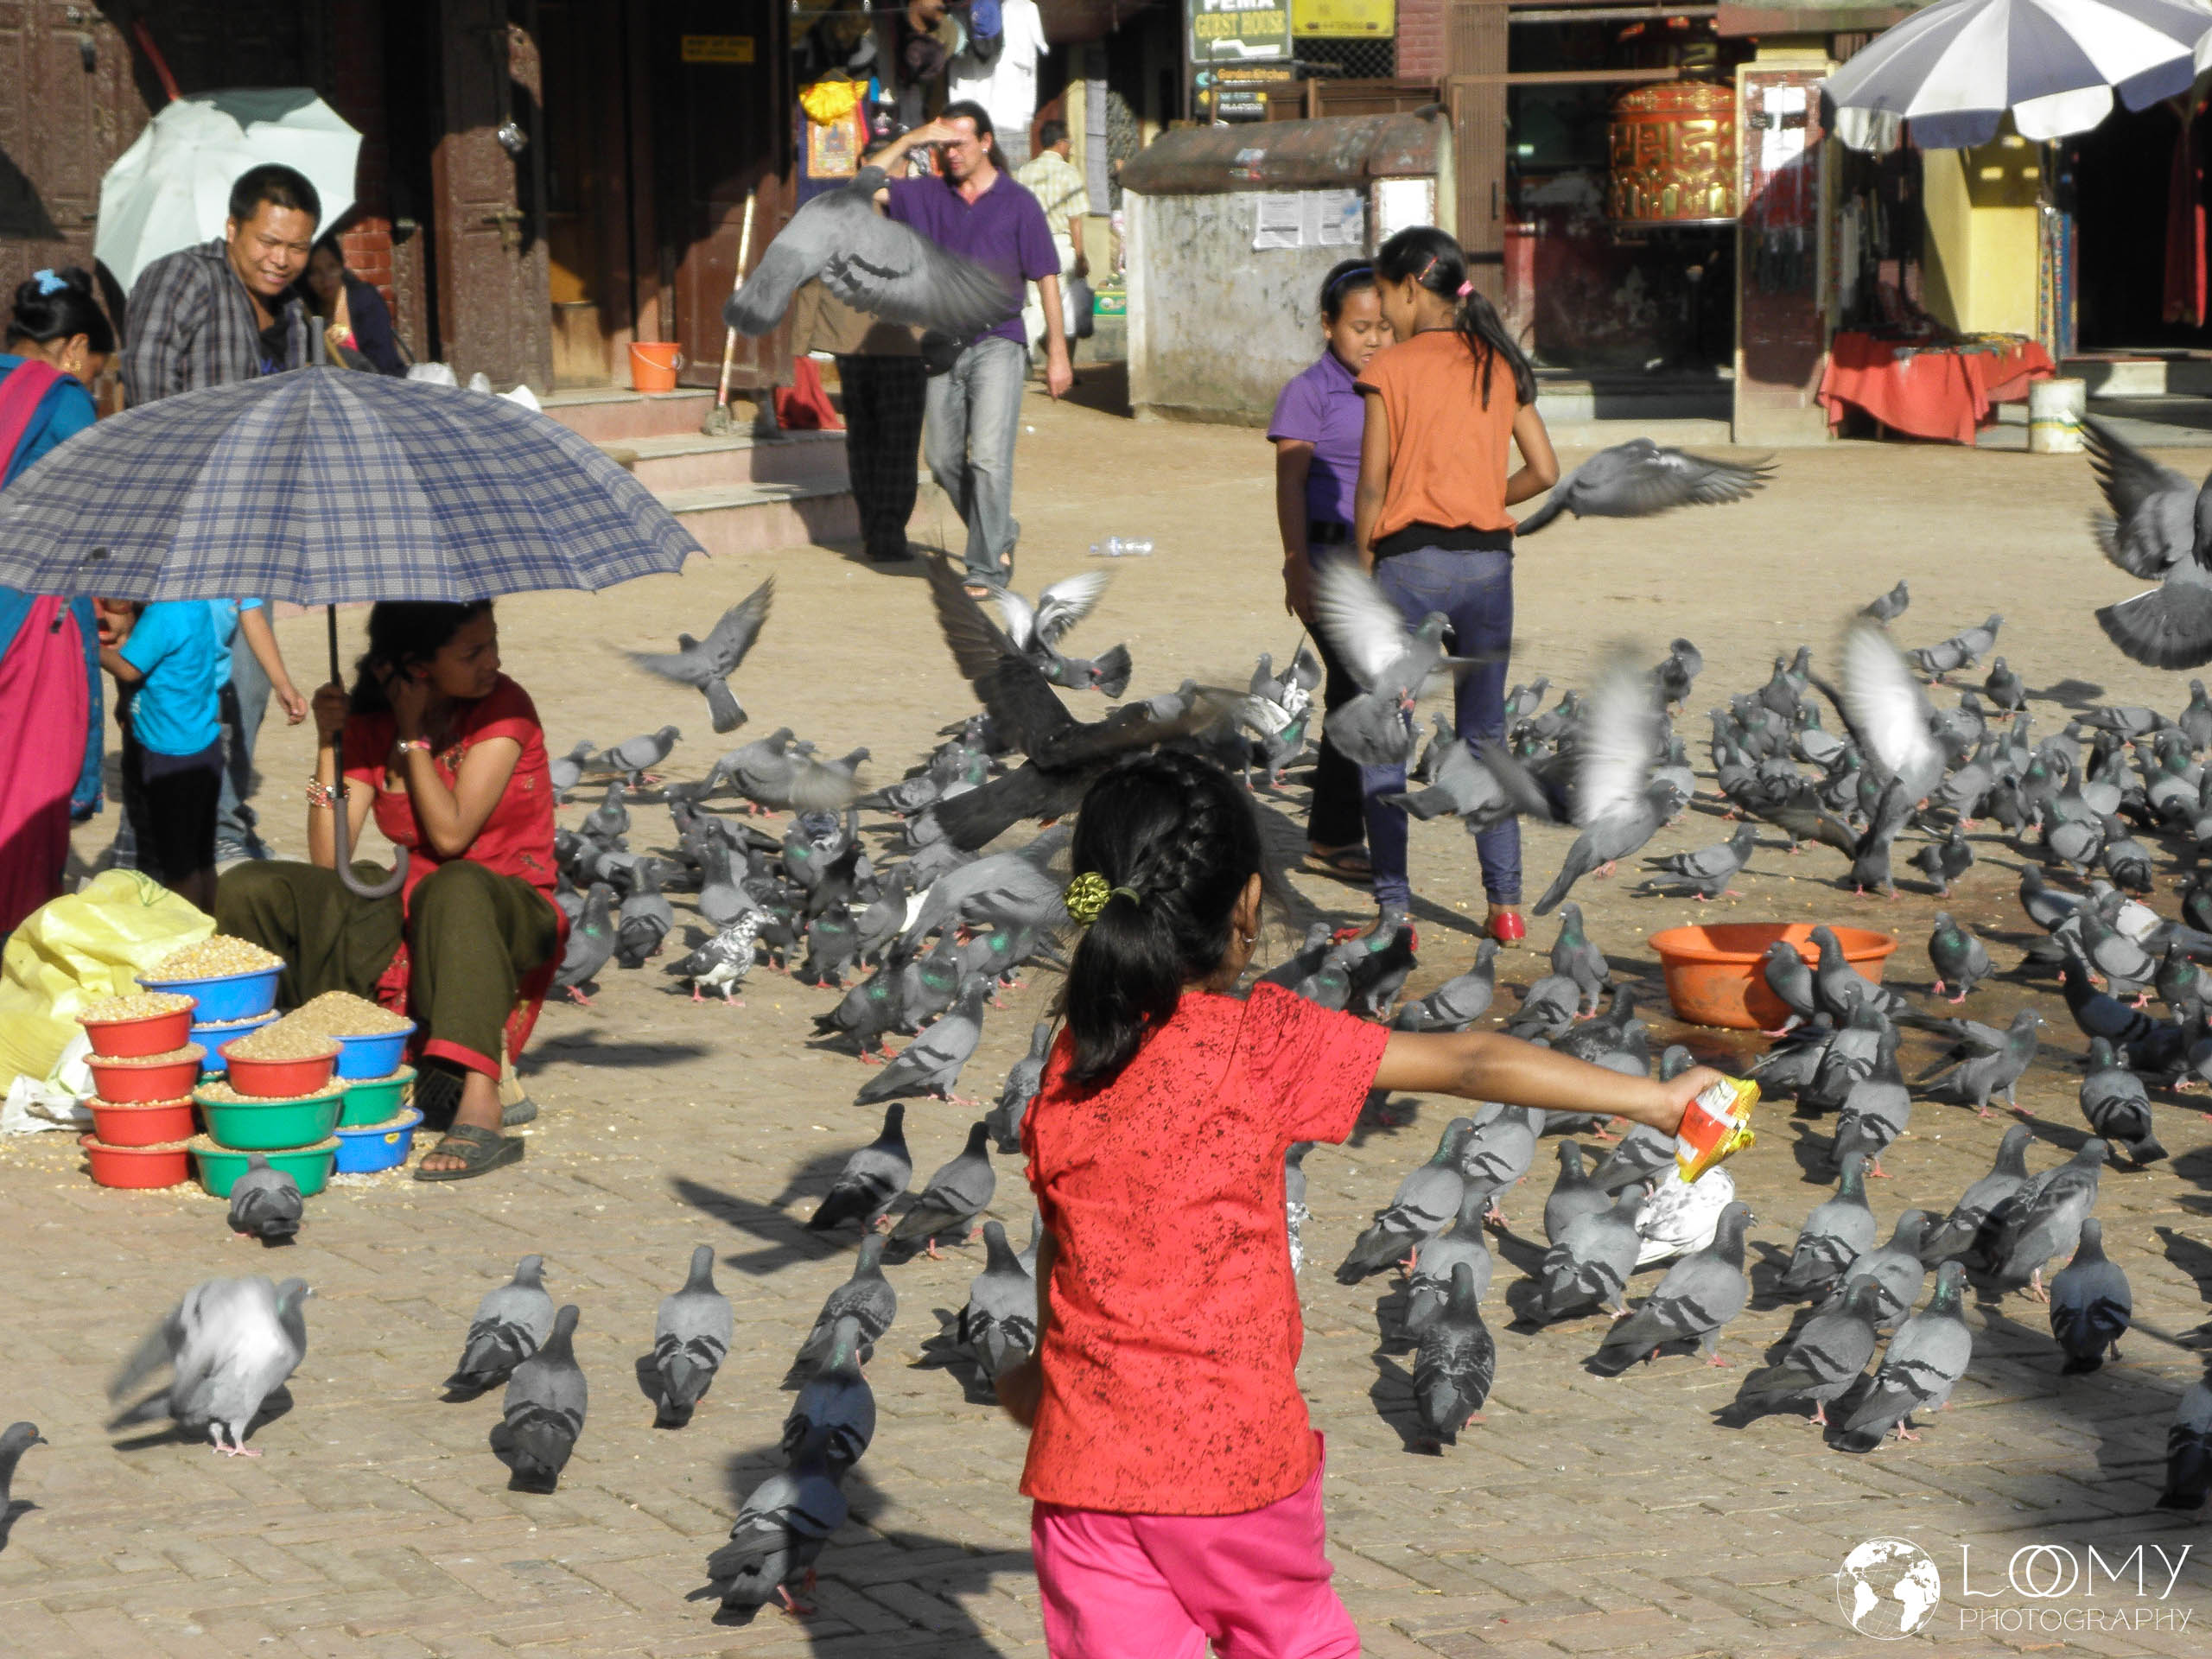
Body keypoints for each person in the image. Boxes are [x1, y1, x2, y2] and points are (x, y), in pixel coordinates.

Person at [995, 751, 1717, 1657]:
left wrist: (1041, 1370)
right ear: (1247, 905)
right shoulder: (1257, 1042)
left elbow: (1064, 1229)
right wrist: (1653, 1099)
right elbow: (1469, 1061)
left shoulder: (1073, 1057)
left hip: (1086, 1465)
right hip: (1231, 1462)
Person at [216, 601, 563, 1181]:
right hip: (412, 905)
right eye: (473, 652)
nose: (494, 662)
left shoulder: (505, 708)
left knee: (455, 885)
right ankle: (271, 1060)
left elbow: (451, 835)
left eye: (492, 644)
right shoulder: (370, 723)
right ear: (413, 668)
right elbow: (329, 860)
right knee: (253, 885)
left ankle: (481, 1100)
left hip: (506, 906)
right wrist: (331, 744)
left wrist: (412, 738)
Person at [1352, 227, 1559, 946]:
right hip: (1488, 571)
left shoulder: (1390, 367)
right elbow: (1545, 471)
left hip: (1409, 567)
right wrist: (1478, 497)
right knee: (1485, 738)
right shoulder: (1499, 362)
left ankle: (1394, 911)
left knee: (1386, 737)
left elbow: (1371, 486)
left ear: (1411, 289)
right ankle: (1505, 908)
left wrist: (1360, 573)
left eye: (1384, 294)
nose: (1382, 310)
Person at [120, 162, 316, 869]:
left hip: (250, 527)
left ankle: (207, 825)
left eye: (297, 247)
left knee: (248, 682)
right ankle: (183, 835)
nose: (281, 259)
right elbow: (147, 388)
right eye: (269, 241)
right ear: (232, 228)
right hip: (179, 523)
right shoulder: (182, 278)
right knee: (179, 679)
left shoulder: (295, 313)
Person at [877, 103, 1069, 593]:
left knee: (988, 457)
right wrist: (912, 138)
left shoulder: (1018, 202)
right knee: (942, 460)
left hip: (999, 340)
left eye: (959, 143)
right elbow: (861, 186)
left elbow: (1047, 277)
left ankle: (986, 567)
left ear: (985, 142)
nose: (951, 154)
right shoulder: (926, 195)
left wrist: (1058, 353)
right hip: (942, 343)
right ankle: (999, 531)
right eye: (943, 146)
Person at [1268, 259, 1390, 883]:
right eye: (1359, 328)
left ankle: (1338, 831)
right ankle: (1335, 835)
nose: (1373, 340)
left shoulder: (1395, 386)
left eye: (1383, 327)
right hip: (1325, 562)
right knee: (1356, 685)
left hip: (1384, 564)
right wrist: (1296, 564)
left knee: (1362, 689)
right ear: (1327, 325)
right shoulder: (1309, 392)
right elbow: (1290, 484)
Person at [0, 269, 109, 936]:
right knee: (25, 801)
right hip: (29, 626)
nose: (92, 383)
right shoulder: (62, 402)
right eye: (96, 371)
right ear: (74, 349)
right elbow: (98, 527)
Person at [791, 137, 928, 564]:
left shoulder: (910, 210)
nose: (892, 174)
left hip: (884, 342)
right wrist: (801, 341)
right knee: (886, 440)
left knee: (874, 439)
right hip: (883, 345)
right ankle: (884, 530)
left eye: (896, 165)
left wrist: (802, 340)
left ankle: (879, 529)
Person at [95, 598, 226, 914]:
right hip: (203, 747)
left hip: (170, 758)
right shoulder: (196, 606)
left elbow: (128, 669)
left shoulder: (164, 614)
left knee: (179, 868)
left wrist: (87, 646)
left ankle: (186, 935)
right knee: (202, 858)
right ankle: (213, 926)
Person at [1014, 119, 1090, 364]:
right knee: (1062, 306)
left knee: (1036, 302)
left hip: (1029, 245)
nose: (1070, 147)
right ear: (1060, 143)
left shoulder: (1024, 172)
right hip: (1060, 246)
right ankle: (1031, 353)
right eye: (1069, 142)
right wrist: (1080, 255)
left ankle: (1039, 357)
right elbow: (1075, 220)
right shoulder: (1069, 173)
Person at [949, 0, 1048, 168]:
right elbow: (1042, 46)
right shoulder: (1026, 7)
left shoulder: (960, 9)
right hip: (1006, 113)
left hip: (976, 111)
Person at [304, 236, 408, 376]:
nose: (325, 279)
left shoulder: (365, 300)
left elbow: (383, 362)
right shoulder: (306, 310)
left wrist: (344, 351)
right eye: (315, 272)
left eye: (332, 267)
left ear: (341, 267)